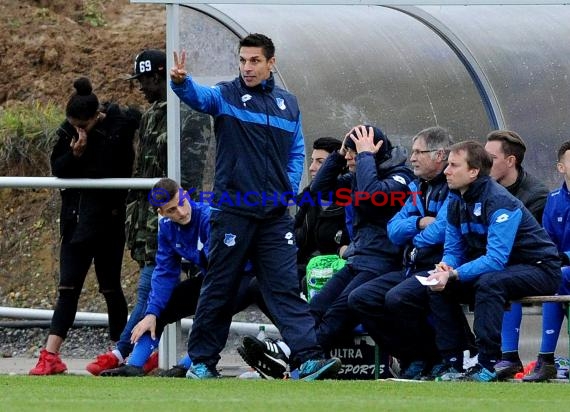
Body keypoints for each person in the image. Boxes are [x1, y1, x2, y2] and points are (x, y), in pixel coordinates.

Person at [170, 33, 341, 380]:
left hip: (275, 217)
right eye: (243, 60)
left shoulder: (288, 104)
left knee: (284, 287)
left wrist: (288, 190)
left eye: (254, 61)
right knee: (220, 285)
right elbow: (200, 98)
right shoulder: (227, 95)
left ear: (270, 63)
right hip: (233, 211)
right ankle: (202, 362)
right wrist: (182, 84)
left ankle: (308, 358)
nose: (247, 67)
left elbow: (296, 152)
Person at [238, 124, 414, 379]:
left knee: (337, 311)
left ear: (375, 150)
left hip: (384, 263)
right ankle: (289, 355)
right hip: (359, 259)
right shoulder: (358, 175)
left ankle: (287, 357)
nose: (352, 157)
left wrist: (365, 156)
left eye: (356, 151)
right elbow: (318, 190)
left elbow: (370, 196)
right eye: (350, 151)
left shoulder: (400, 177)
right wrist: (338, 155)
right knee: (315, 307)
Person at [85, 49, 213, 375]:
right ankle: (142, 352)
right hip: (151, 219)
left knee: (157, 287)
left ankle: (124, 350)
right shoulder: (154, 113)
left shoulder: (187, 113)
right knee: (156, 288)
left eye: (143, 79)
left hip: (178, 218)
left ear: (157, 76)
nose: (139, 87)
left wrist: (182, 211)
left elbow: (191, 167)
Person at [423, 140, 560, 382]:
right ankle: (457, 362)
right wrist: (445, 267)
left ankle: (488, 363)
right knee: (438, 288)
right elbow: (454, 248)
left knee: (489, 282)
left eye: (454, 165)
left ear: (473, 172)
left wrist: (454, 274)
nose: (446, 171)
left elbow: (496, 259)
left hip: (540, 269)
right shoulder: (456, 200)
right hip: (506, 270)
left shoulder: (499, 201)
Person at [97, 178, 263, 377]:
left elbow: (222, 270)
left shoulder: (209, 217)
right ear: (161, 213)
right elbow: (165, 272)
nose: (181, 212)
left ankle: (189, 365)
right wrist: (151, 313)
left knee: (212, 307)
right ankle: (134, 365)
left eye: (181, 203)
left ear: (184, 193)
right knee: (163, 306)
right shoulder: (167, 228)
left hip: (244, 275)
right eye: (172, 210)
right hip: (212, 278)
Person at [30, 77, 138, 375]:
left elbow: (111, 169)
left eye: (83, 125)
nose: (78, 131)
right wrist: (75, 153)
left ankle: (119, 351)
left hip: (108, 222)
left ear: (96, 117)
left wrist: (86, 152)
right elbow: (59, 169)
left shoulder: (118, 127)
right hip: (75, 223)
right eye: (73, 125)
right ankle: (49, 355)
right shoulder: (69, 132)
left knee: (111, 288)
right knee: (67, 289)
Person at [349, 126, 453, 380]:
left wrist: (416, 230)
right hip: (412, 267)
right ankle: (413, 356)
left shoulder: (453, 186)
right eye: (413, 152)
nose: (412, 157)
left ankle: (435, 357)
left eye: (419, 152)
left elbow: (439, 231)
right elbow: (393, 230)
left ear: (439, 155)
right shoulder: (418, 186)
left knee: (398, 298)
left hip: (442, 267)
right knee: (360, 298)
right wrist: (418, 223)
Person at [483, 130, 550, 379]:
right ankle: (461, 356)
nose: (484, 164)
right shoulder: (484, 189)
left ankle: (504, 356)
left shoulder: (536, 196)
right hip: (498, 261)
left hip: (530, 266)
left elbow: (531, 246)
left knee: (494, 279)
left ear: (510, 161)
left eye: (490, 157)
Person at [519, 141, 570, 382]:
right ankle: (512, 356)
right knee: (510, 279)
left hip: (565, 268)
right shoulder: (554, 198)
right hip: (560, 267)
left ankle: (546, 357)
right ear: (561, 167)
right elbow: (546, 239)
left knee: (558, 277)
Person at [294, 136, 349, 292]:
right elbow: (293, 231)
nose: (311, 167)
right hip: (303, 265)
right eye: (312, 160)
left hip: (331, 271)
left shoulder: (349, 201)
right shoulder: (309, 197)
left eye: (320, 162)